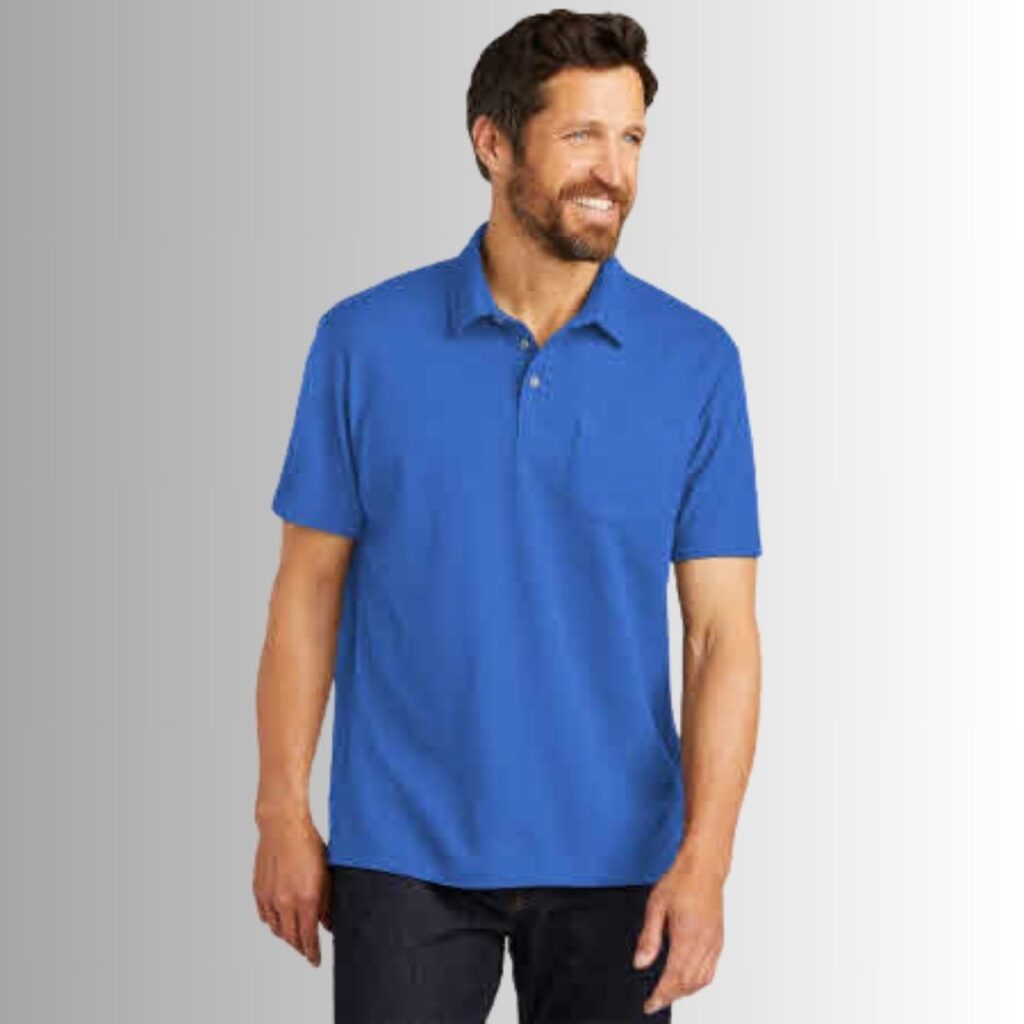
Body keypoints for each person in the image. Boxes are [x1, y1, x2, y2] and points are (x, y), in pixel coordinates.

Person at [253, 10, 763, 1021]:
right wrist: (280, 807)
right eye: (581, 135)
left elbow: (720, 634)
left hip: (621, 858)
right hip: (404, 848)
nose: (612, 170)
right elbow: (307, 590)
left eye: (631, 138)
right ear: (493, 143)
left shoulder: (696, 361)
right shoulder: (362, 342)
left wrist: (706, 859)